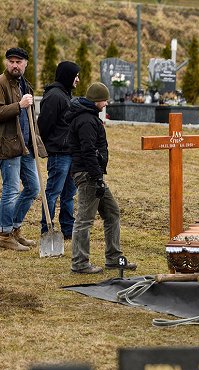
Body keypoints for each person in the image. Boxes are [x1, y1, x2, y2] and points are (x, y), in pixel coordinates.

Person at [67, 82, 137, 274]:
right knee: (84, 220)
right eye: (104, 99)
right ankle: (80, 263)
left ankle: (113, 258)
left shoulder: (89, 117)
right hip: (89, 175)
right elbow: (88, 151)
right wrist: (97, 178)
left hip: (93, 175)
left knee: (112, 212)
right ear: (97, 100)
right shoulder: (86, 121)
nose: (106, 103)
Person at [0, 47, 42, 251]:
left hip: (25, 146)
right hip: (8, 145)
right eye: (11, 61)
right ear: (6, 63)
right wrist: (19, 105)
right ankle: (4, 235)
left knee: (32, 188)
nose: (14, 65)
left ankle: (15, 229)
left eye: (19, 61)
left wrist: (35, 141)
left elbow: (31, 119)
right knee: (10, 190)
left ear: (26, 64)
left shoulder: (24, 84)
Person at [37, 61, 81, 240]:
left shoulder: (66, 95)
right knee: (53, 191)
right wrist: (51, 146)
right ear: (67, 76)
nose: (78, 80)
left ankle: (68, 229)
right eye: (76, 76)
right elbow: (44, 125)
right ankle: (46, 227)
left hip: (71, 153)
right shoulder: (55, 96)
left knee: (69, 194)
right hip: (59, 154)